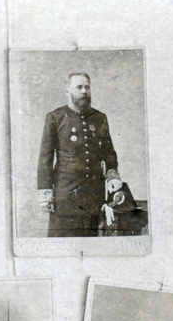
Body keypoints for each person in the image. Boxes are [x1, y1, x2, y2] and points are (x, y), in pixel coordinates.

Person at [36, 72, 121, 237]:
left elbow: (109, 152)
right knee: (63, 244)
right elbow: (45, 157)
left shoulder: (99, 118)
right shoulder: (55, 117)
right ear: (67, 91)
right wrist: (45, 191)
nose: (84, 91)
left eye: (87, 87)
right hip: (65, 196)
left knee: (91, 243)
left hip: (93, 195)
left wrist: (112, 175)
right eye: (79, 87)